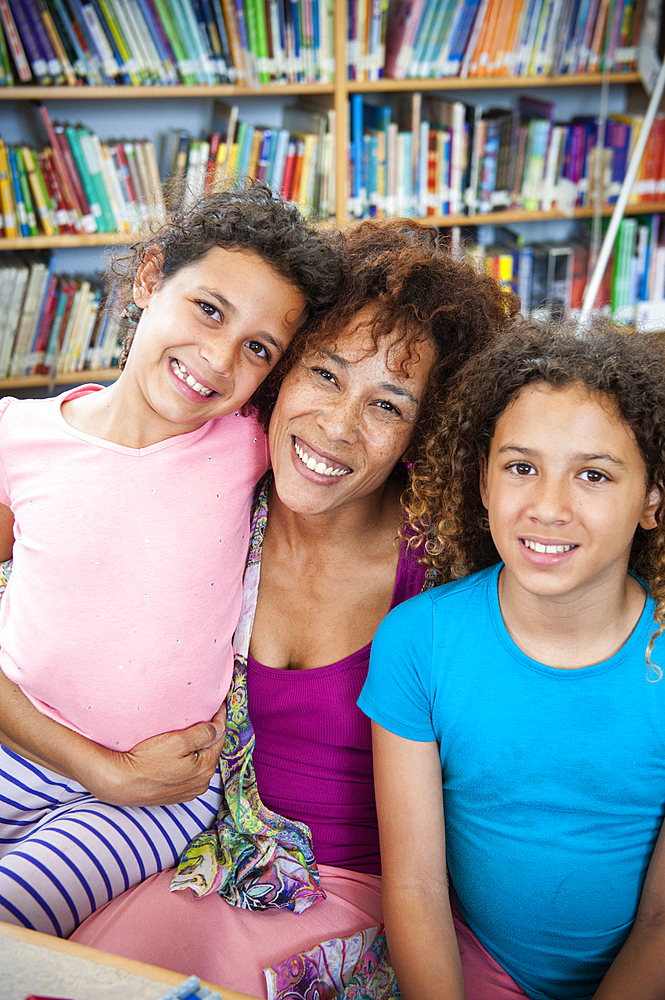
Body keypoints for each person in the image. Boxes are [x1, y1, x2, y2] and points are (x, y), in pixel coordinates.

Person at [71, 219, 520, 998]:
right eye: (324, 374)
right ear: (279, 372)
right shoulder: (208, 499)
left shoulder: (448, 570)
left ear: (425, 430)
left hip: (377, 904)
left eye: (388, 405)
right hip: (187, 863)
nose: (338, 426)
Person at [0, 182, 341, 937]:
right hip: (17, 748)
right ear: (151, 278)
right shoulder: (16, 439)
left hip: (162, 793)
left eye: (258, 349)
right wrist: (97, 768)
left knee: (10, 917)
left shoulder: (253, 445)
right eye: (208, 309)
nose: (217, 359)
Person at [360, 321, 665, 1000]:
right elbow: (414, 885)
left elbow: (659, 923)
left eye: (592, 474)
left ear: (650, 498)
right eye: (521, 467)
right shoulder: (419, 642)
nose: (547, 507)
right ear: (483, 481)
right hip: (474, 967)